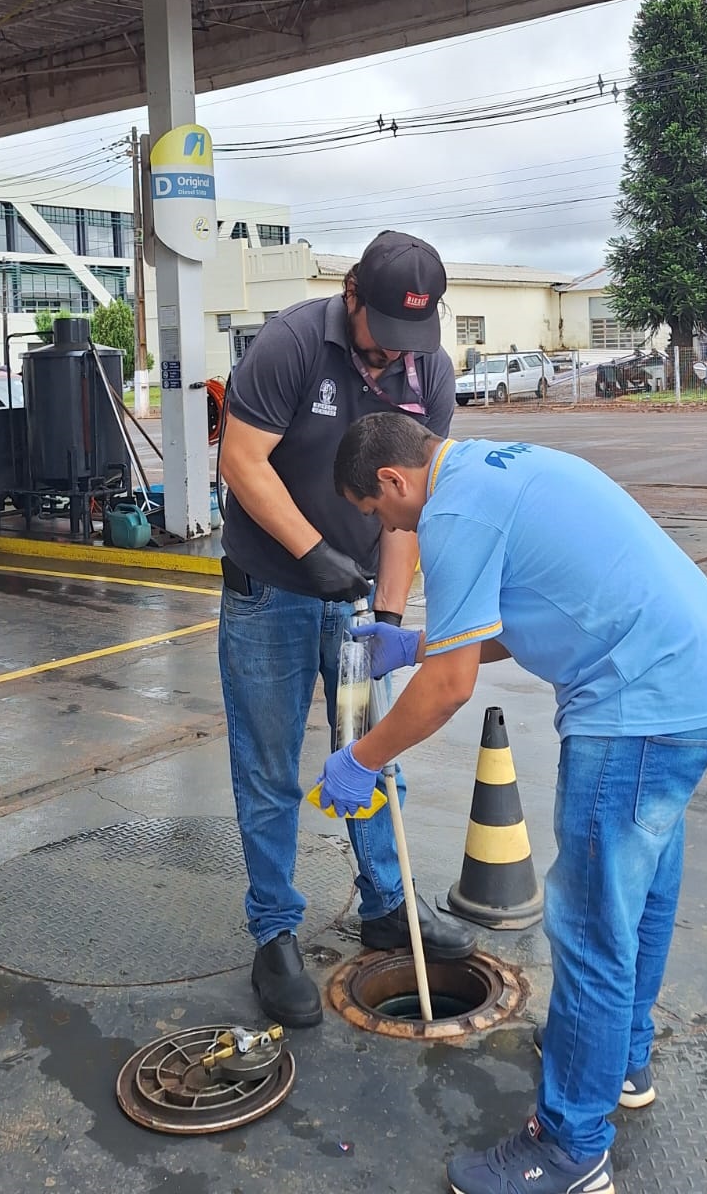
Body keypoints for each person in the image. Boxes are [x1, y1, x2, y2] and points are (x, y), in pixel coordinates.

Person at [321, 413, 707, 1194]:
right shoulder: (495, 468)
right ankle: (619, 1061)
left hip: (636, 707)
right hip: (697, 680)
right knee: (640, 894)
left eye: (377, 513)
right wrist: (418, 643)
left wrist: (362, 758)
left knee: (591, 929)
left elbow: (450, 689)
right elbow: (524, 613)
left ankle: (570, 1148)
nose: (389, 530)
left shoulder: (451, 513)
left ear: (393, 479)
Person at [217, 232, 476, 1029]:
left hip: (358, 602)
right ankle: (274, 934)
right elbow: (242, 461)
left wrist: (388, 615)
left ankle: (386, 905)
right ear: (353, 293)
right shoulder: (292, 344)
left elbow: (411, 505)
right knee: (269, 772)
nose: (393, 355)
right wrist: (311, 553)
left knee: (372, 752)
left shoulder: (427, 370)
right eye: (383, 333)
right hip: (271, 592)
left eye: (411, 338)